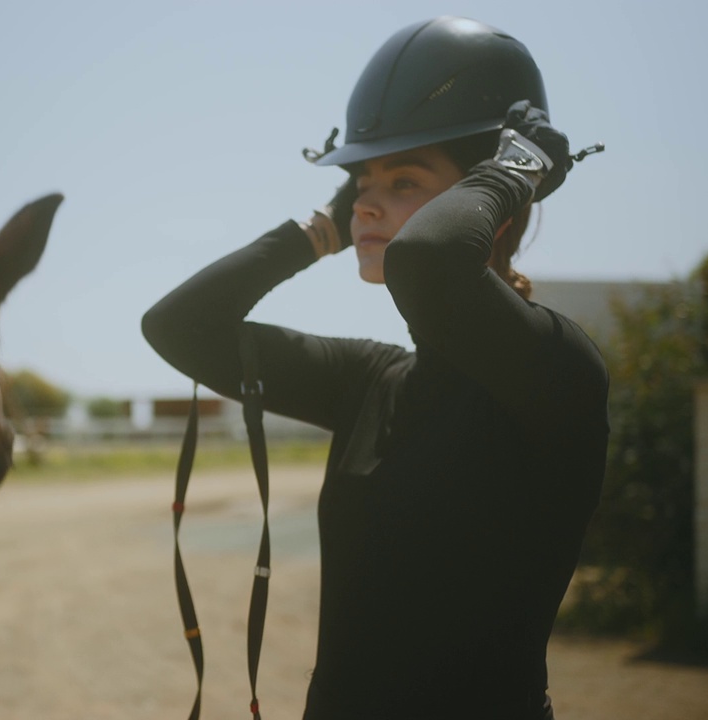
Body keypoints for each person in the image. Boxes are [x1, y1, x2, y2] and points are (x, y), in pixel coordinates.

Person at [142, 16, 608, 720]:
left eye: (404, 179)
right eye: (361, 182)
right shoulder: (369, 381)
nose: (366, 200)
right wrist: (323, 230)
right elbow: (180, 327)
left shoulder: (558, 371)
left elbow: (431, 263)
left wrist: (517, 169)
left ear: (498, 209)